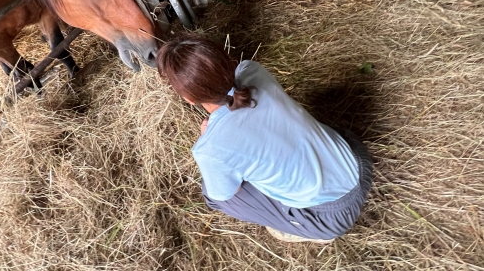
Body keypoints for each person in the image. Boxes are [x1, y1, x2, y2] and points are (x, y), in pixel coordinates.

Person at [156, 36, 373, 243]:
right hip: (358, 159)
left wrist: (209, 137)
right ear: (225, 60)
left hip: (332, 216)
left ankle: (307, 228)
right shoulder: (252, 70)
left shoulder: (210, 149)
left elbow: (227, 193)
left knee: (213, 195)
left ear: (189, 99)